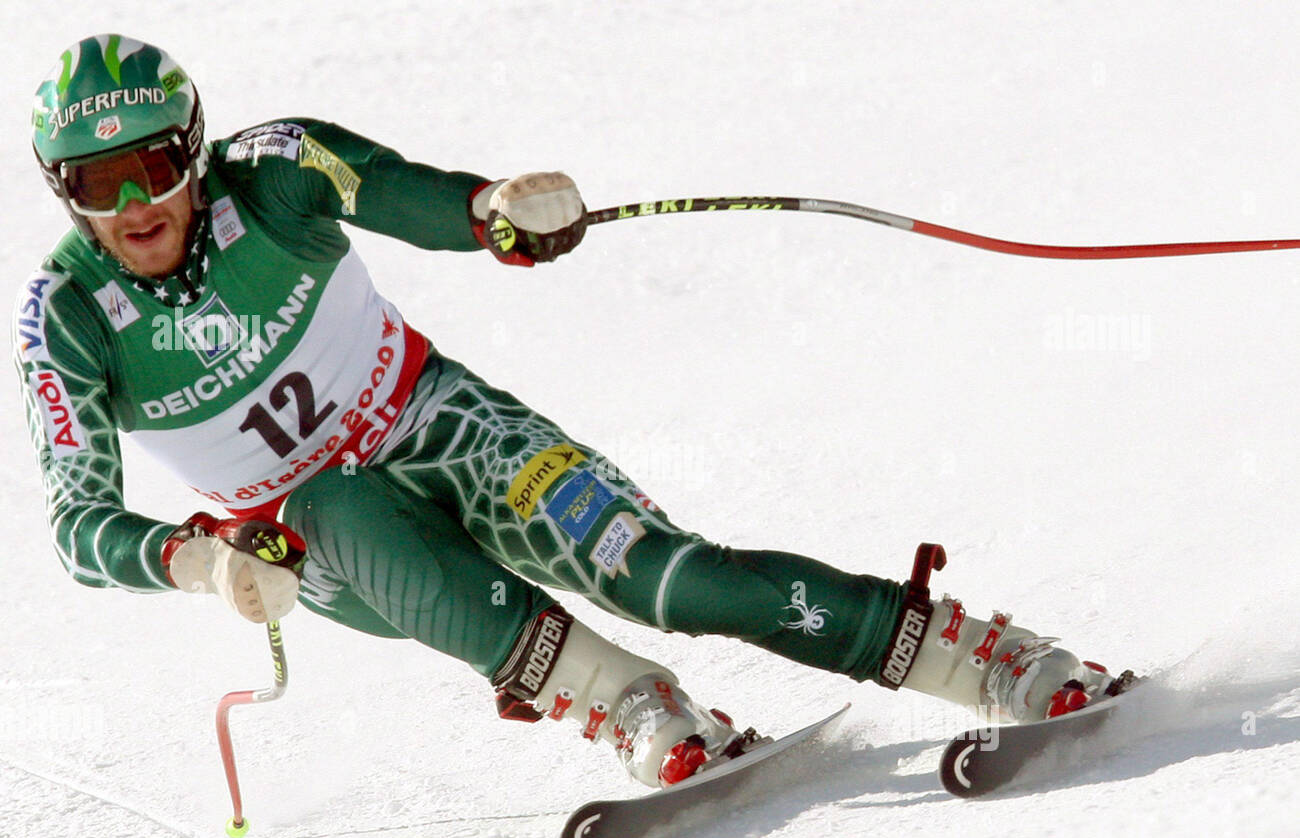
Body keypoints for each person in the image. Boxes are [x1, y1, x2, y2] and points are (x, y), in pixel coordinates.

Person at [16, 35, 1110, 790]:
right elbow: (76, 523)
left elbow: (422, 195)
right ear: (61, 191)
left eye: (153, 165)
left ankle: (992, 661)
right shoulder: (67, 314)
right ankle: (629, 704)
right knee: (331, 498)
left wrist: (501, 213)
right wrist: (200, 560)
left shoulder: (277, 171)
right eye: (92, 183)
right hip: (318, 546)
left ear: (194, 149)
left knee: (675, 580)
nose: (133, 204)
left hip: (444, 425)